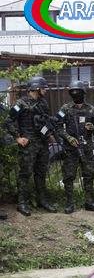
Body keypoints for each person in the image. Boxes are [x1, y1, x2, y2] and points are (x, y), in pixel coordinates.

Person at [4, 76, 57, 216]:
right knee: (25, 174)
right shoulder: (20, 104)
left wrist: (49, 134)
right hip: (28, 145)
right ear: (36, 88)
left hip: (42, 144)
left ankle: (42, 200)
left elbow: (45, 122)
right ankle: (22, 203)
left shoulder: (43, 103)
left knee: (41, 172)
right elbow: (8, 121)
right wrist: (18, 137)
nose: (45, 90)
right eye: (43, 88)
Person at [56, 80, 94, 214]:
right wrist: (68, 138)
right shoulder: (65, 109)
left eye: (78, 92)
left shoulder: (91, 109)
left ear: (83, 93)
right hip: (71, 149)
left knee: (89, 174)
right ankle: (70, 203)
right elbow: (57, 126)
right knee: (69, 176)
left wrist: (93, 127)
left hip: (86, 148)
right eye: (73, 92)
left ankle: (89, 202)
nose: (76, 94)